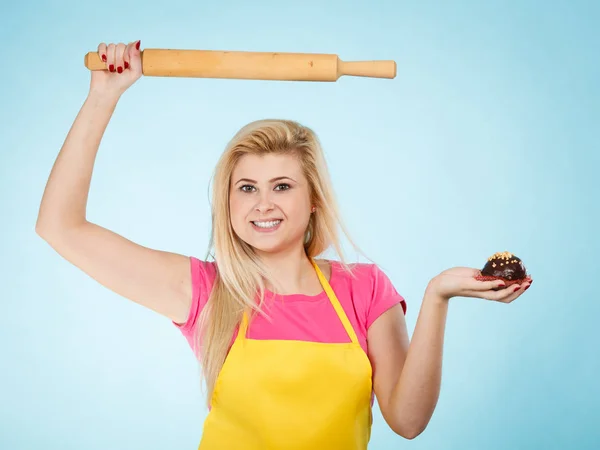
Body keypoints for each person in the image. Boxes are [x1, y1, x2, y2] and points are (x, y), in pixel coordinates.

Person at [35, 40, 532, 449]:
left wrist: (437, 296)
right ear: (227, 203)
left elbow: (407, 421)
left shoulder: (364, 289)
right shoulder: (207, 292)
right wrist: (104, 96)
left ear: (314, 199)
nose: (262, 204)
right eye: (246, 187)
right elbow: (59, 225)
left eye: (282, 186)